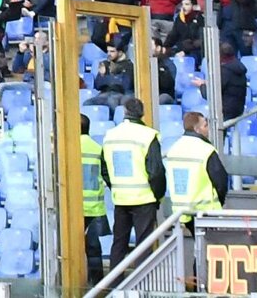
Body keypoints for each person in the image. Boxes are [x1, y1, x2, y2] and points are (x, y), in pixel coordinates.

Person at [101, 101, 166, 262]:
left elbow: (104, 168)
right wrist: (157, 195)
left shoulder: (110, 135)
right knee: (143, 246)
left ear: (124, 111)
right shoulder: (149, 135)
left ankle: (114, 284)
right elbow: (156, 171)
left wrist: (115, 186)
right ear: (142, 113)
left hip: (121, 198)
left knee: (118, 243)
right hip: (144, 198)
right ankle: (142, 284)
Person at [164, 111, 229, 217]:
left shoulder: (173, 149)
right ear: (197, 129)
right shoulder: (206, 150)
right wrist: (219, 201)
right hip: (205, 211)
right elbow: (221, 182)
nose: (208, 129)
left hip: (180, 212)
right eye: (205, 125)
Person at [77, 114, 110, 270]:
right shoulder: (97, 148)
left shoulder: (67, 149)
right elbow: (107, 176)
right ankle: (97, 284)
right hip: (94, 207)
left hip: (73, 207)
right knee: (94, 248)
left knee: (71, 249)